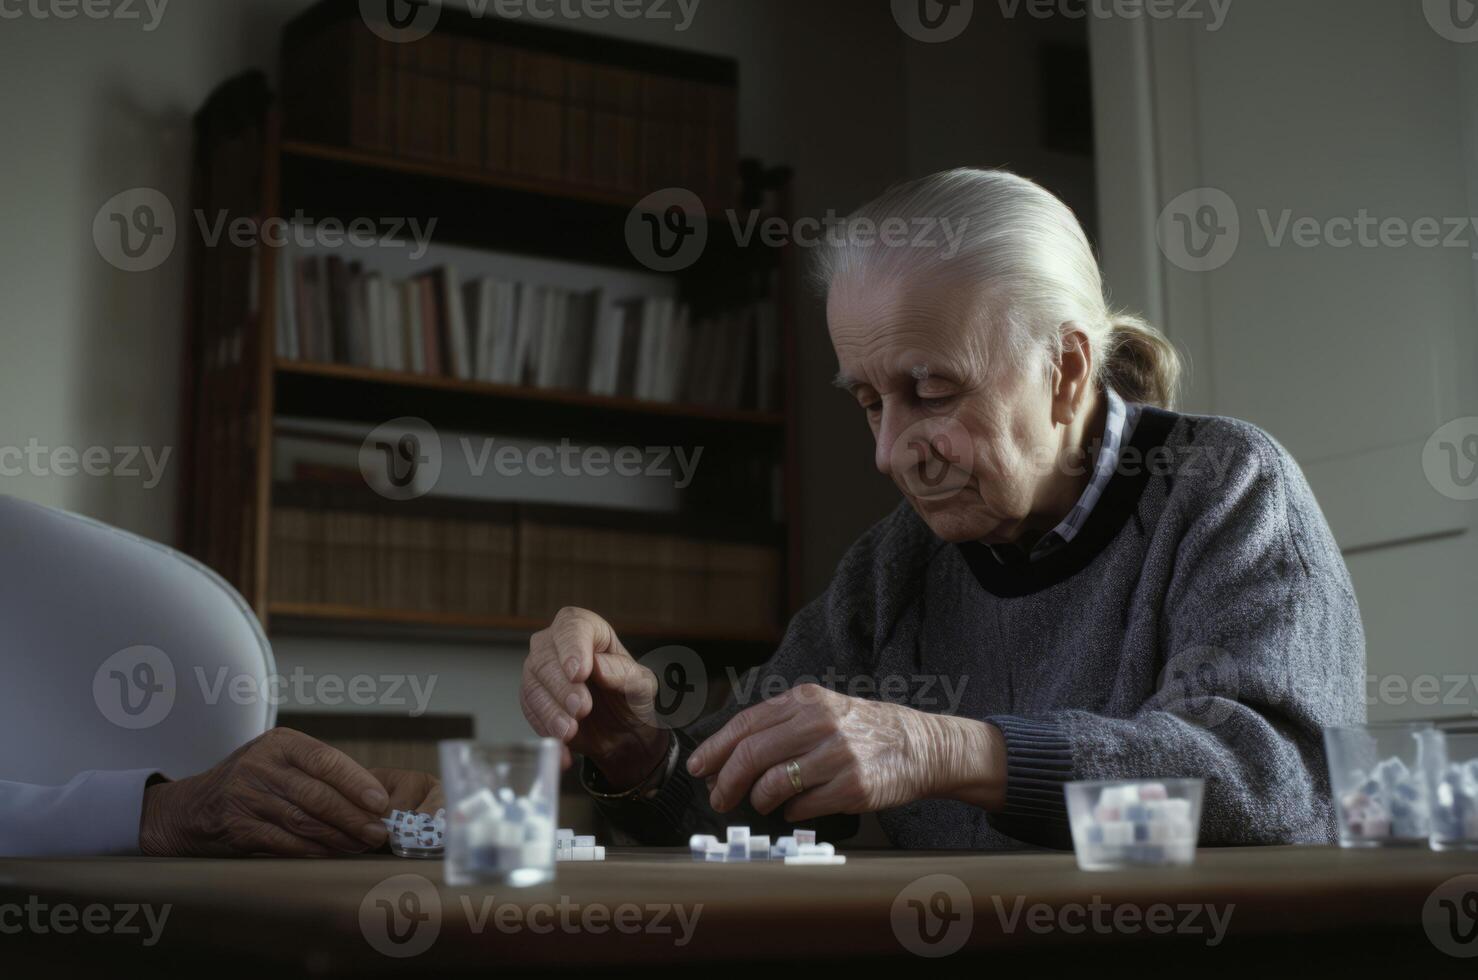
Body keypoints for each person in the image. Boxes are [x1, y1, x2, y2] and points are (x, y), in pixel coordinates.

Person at [518, 168, 1365, 850]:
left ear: (1066, 369)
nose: (890, 453)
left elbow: (1275, 785)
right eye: (868, 402)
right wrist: (637, 755)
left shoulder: (1226, 485)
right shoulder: (897, 564)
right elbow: (734, 812)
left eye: (930, 390)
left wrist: (947, 751)